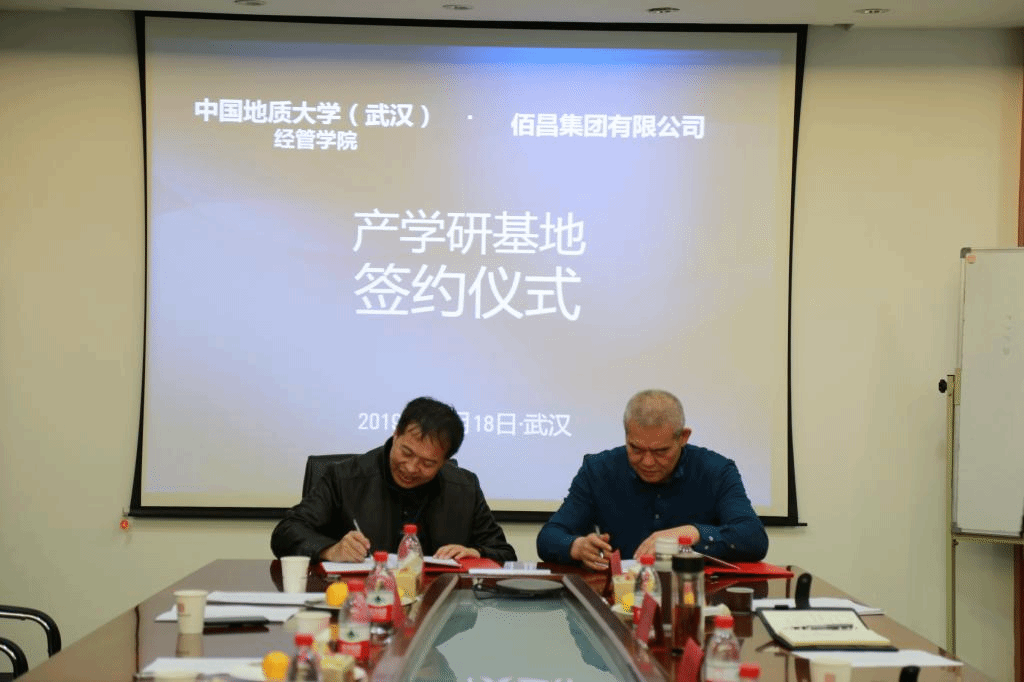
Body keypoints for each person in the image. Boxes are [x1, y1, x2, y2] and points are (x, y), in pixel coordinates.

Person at [536, 389, 767, 570]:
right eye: (635, 449)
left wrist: (692, 533)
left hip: (694, 595)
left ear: (683, 437)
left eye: (660, 451)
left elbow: (754, 538)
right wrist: (576, 547)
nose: (647, 462)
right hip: (623, 599)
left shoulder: (716, 471)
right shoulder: (598, 470)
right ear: (626, 435)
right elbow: (548, 537)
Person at [271, 396, 517, 564]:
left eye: (427, 463)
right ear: (396, 434)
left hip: (438, 609)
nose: (411, 468)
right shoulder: (345, 478)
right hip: (357, 604)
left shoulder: (464, 489)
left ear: (444, 462)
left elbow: (504, 553)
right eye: (406, 452)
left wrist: (476, 553)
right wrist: (331, 550)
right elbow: (286, 533)